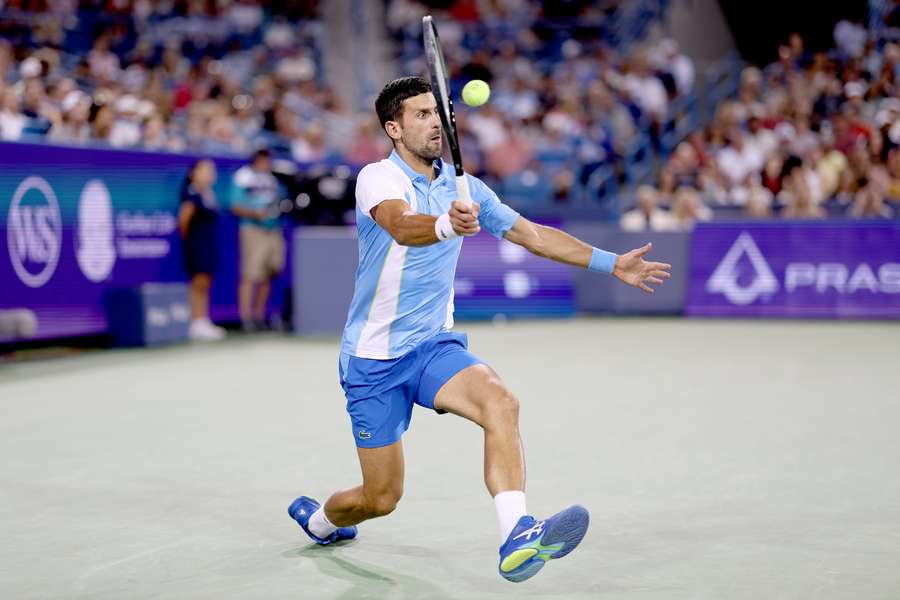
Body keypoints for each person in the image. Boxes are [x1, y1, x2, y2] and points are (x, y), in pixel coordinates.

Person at [287, 77, 672, 583]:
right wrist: (448, 224)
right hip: (373, 360)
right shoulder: (378, 178)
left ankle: (517, 534)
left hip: (433, 347)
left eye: (437, 113)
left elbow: (531, 235)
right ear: (393, 128)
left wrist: (610, 263)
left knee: (501, 402)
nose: (435, 124)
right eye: (421, 115)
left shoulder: (466, 186)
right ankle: (321, 521)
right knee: (380, 499)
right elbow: (402, 225)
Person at [230, 148, 285, 331]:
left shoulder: (272, 179)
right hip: (253, 228)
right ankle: (245, 317)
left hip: (272, 229)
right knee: (251, 273)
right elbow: (235, 206)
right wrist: (255, 213)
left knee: (268, 272)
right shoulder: (243, 177)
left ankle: (259, 316)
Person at [178, 159, 226, 341]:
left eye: (211, 171)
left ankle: (203, 319)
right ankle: (195, 321)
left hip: (208, 242)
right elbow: (184, 221)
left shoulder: (209, 193)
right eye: (205, 170)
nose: (209, 174)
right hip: (197, 244)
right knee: (198, 282)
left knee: (206, 281)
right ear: (193, 173)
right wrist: (192, 242)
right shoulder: (191, 194)